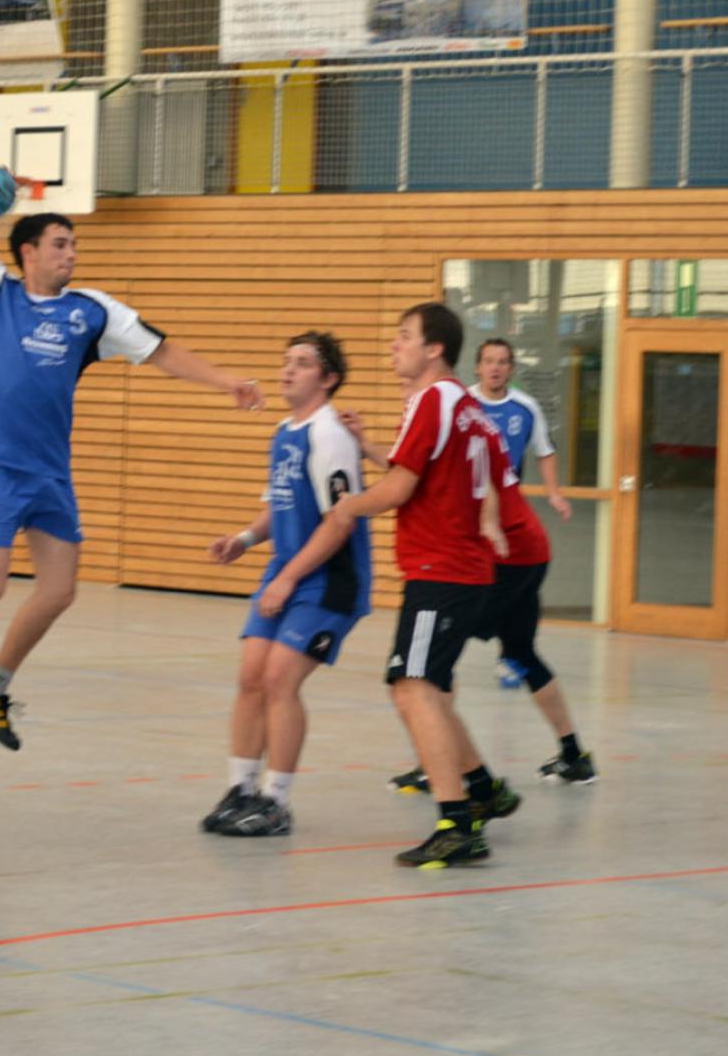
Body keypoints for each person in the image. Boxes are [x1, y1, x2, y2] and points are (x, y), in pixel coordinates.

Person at [0, 192, 262, 751]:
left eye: (74, 245)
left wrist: (227, 382)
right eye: (59, 244)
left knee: (58, 592)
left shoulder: (91, 310)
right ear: (28, 252)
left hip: (50, 473)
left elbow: (161, 352)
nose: (71, 254)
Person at [261, 302, 519, 869]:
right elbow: (434, 475)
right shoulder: (467, 406)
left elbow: (401, 489)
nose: (393, 345)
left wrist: (346, 508)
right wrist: (372, 449)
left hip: (442, 570)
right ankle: (482, 789)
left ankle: (457, 824)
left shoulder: (432, 399)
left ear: (434, 349)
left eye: (405, 336)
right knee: (431, 690)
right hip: (459, 570)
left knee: (411, 687)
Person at [203, 332, 372, 837]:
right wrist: (244, 539)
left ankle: (276, 803)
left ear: (328, 379)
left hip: (330, 578)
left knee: (280, 679)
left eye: (302, 363)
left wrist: (290, 578)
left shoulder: (331, 435)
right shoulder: (284, 432)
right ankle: (241, 790)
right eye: (286, 361)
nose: (288, 370)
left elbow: (340, 522)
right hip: (287, 571)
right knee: (251, 677)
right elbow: (279, 506)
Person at [467, 337, 594, 783]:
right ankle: (574, 755)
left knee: (440, 650)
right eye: (489, 361)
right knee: (521, 652)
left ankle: (439, 764)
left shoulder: (519, 410)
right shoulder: (466, 408)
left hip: (512, 551)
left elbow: (545, 450)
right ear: (478, 367)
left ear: (511, 368)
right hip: (523, 549)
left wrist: (554, 493)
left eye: (503, 362)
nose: (496, 368)